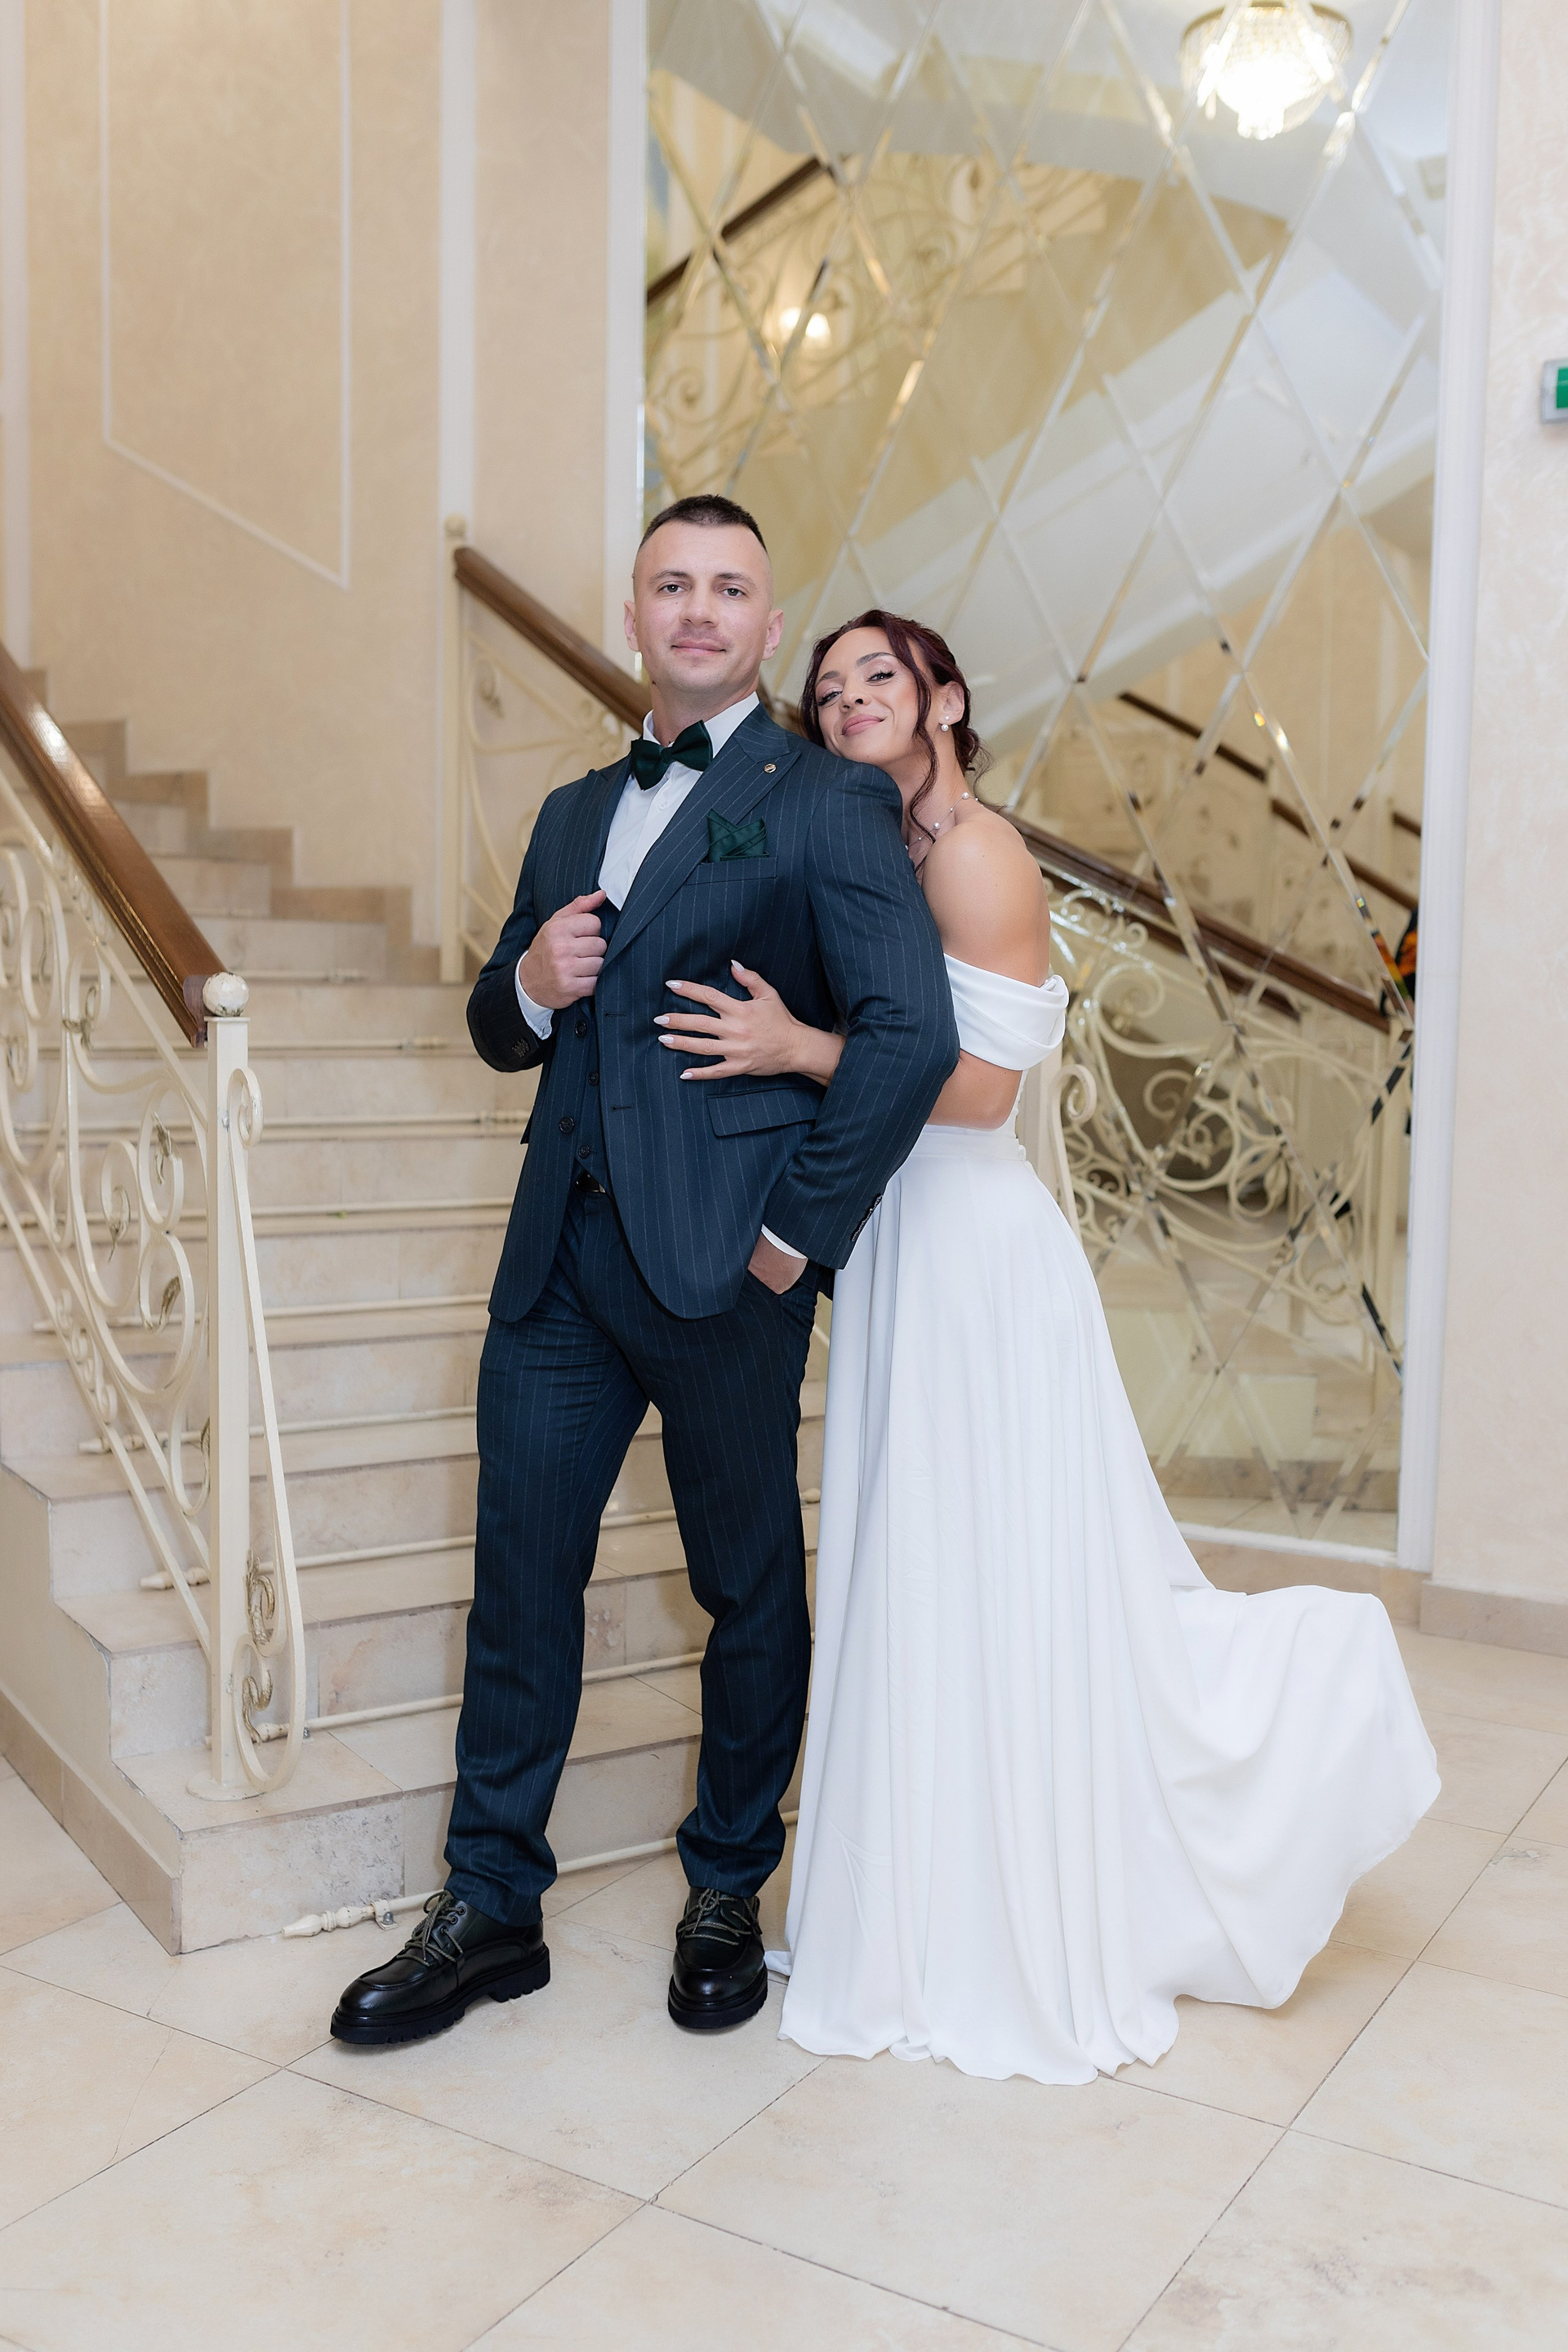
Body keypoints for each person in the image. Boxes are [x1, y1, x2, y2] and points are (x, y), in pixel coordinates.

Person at [655, 608, 1439, 2084]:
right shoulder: (876, 849)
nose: (849, 700)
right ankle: (926, 1898)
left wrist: (802, 1049)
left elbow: (980, 1095)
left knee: (993, 1567)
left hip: (972, 1249)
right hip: (902, 1239)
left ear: (945, 698)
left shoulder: (974, 852)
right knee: (931, 1565)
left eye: (880, 677)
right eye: (829, 687)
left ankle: (1234, 1755)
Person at [329, 508, 956, 2049]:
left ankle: (728, 1885)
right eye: (672, 584)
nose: (699, 609)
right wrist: (530, 988)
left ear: (767, 623)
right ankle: (491, 1904)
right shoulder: (566, 812)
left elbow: (912, 1035)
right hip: (559, 1263)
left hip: (727, 1269)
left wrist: (792, 1240)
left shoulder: (825, 797)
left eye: (731, 588)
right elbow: (496, 1025)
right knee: (521, 1580)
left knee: (745, 1587)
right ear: (634, 612)